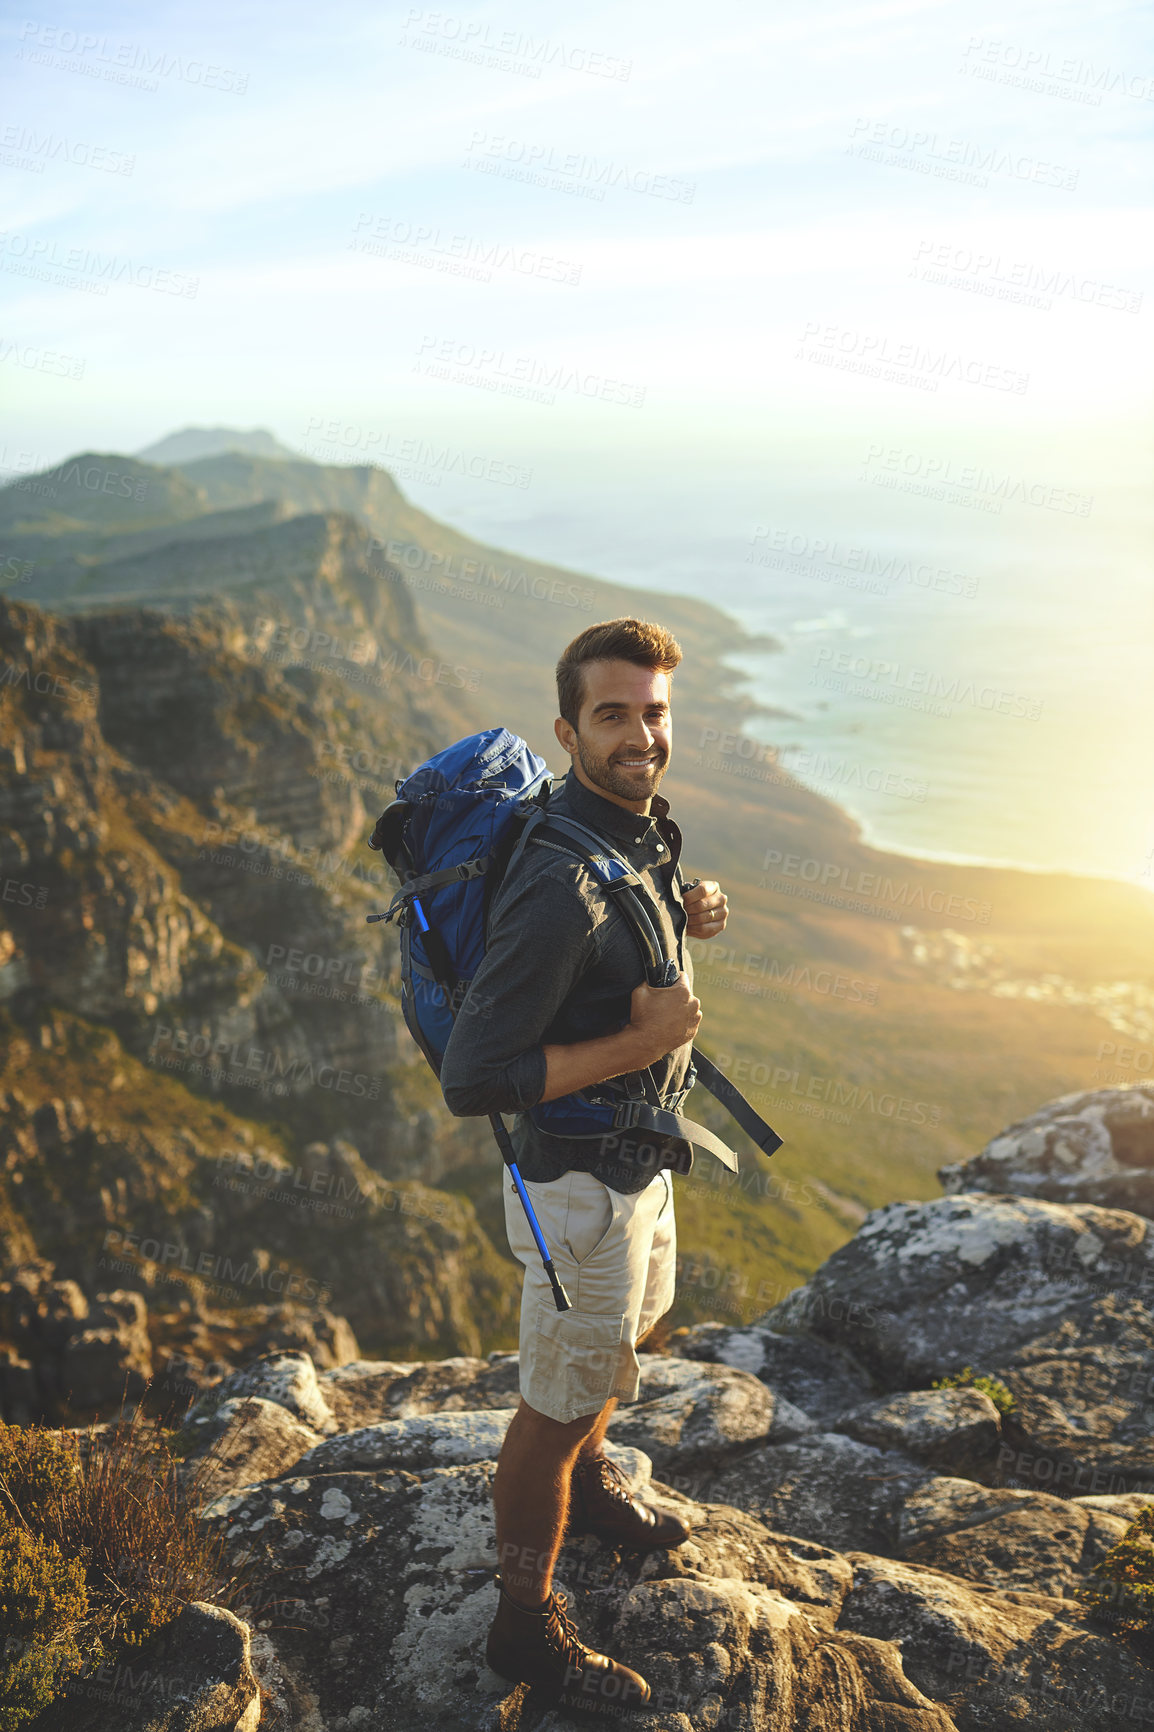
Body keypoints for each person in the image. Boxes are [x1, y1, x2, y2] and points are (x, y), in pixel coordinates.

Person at [440, 617, 730, 1715]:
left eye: (653, 712)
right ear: (567, 730)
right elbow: (475, 1074)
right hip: (574, 1189)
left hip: (635, 1164)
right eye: (612, 716)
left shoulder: (630, 828)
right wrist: (641, 1044)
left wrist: (692, 904)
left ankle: (592, 1480)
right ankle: (524, 1625)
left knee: (625, 1336)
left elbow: (623, 940)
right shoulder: (557, 882)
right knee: (552, 1410)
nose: (639, 734)